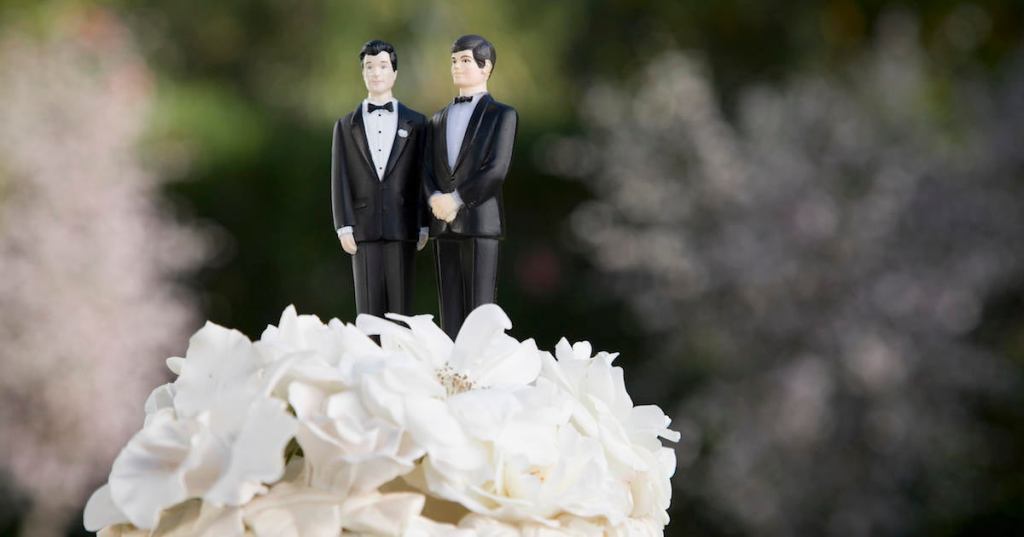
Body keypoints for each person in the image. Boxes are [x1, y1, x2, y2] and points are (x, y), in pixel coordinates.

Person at [424, 34, 518, 338]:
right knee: (448, 305)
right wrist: (435, 198)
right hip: (442, 223)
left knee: (480, 309)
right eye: (454, 61)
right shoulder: (437, 118)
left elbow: (495, 170)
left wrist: (457, 199)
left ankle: (479, 367)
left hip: (480, 220)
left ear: (485, 67)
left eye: (465, 60)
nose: (457, 67)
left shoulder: (502, 115)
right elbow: (427, 168)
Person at [332, 39, 428, 317]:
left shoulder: (417, 123)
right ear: (362, 73)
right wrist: (343, 225)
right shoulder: (346, 125)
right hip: (363, 228)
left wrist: (423, 222)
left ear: (394, 73)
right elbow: (340, 178)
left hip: (403, 224)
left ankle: (399, 356)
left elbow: (422, 176)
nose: (376, 73)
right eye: (369, 67)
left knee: (401, 307)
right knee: (368, 306)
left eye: (383, 66)